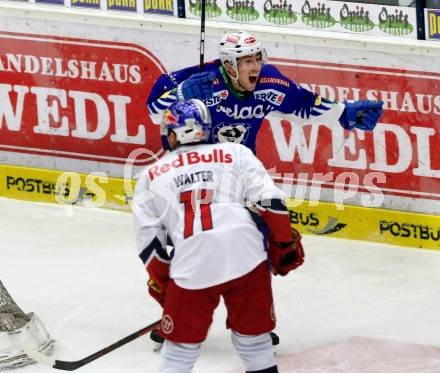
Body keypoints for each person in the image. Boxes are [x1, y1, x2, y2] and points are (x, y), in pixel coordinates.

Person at [133, 99, 304, 373]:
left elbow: (151, 247)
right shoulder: (235, 152)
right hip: (246, 255)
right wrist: (284, 242)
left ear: (174, 132)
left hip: (193, 264)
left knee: (179, 354)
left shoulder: (151, 175)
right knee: (256, 344)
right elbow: (271, 203)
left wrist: (165, 285)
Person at [147, 31, 384, 155]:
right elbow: (155, 113)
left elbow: (303, 105)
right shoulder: (201, 83)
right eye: (247, 61)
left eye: (257, 59)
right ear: (229, 65)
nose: (255, 67)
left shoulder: (269, 83)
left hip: (241, 169)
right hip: (198, 168)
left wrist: (343, 112)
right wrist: (179, 94)